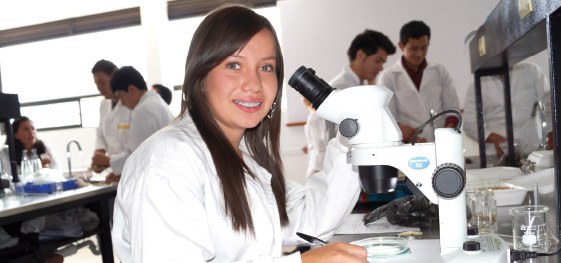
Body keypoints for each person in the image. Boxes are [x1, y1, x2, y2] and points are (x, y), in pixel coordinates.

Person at [111, 5, 366, 263]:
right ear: (199, 75)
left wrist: (352, 141)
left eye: (266, 68)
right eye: (234, 65)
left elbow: (309, 220)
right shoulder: (169, 159)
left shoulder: (243, 156)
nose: (254, 84)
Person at [378, 20, 460, 143]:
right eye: (413, 48)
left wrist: (447, 135)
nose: (419, 54)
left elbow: (452, 110)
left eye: (424, 48)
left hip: (440, 144)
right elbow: (387, 120)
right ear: (401, 46)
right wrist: (410, 137)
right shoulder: (388, 77)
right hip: (407, 148)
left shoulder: (439, 71)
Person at [91, 66, 173, 183]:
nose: (123, 103)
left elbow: (135, 157)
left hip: (157, 178)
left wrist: (108, 161)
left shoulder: (143, 109)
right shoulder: (155, 101)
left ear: (132, 89)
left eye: (121, 96)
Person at [463, 62, 551, 158]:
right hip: (498, 154)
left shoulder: (531, 71)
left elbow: (550, 106)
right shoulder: (479, 82)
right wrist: (494, 138)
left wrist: (551, 134)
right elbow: (470, 124)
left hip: (533, 150)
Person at [325, 29, 396, 142]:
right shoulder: (342, 87)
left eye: (383, 63)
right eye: (378, 61)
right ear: (360, 55)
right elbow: (349, 133)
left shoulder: (359, 85)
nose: (381, 68)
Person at [90, 59, 132, 173]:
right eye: (96, 84)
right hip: (115, 171)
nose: (99, 88)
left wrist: (109, 161)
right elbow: (100, 133)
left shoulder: (131, 104)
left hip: (132, 169)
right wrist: (99, 151)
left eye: (102, 82)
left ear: (114, 77)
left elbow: (135, 148)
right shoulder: (104, 104)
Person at [302, 97, 326, 179]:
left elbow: (320, 144)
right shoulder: (317, 114)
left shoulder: (314, 116)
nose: (301, 100)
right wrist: (308, 146)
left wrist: (316, 168)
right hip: (319, 161)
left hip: (318, 164)